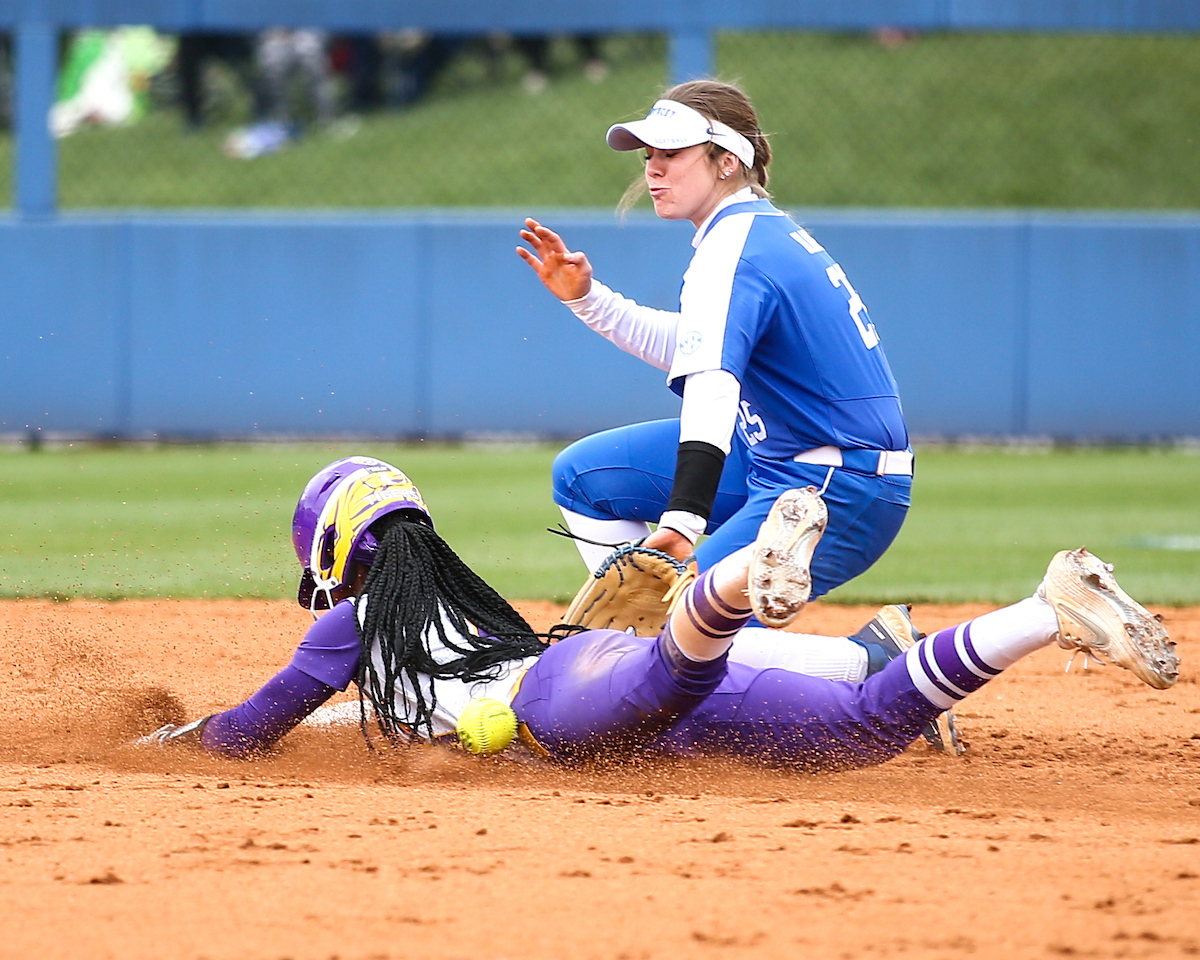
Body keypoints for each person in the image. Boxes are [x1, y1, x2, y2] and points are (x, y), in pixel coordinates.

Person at [148, 457, 1178, 766]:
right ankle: (1049, 610)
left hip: (571, 703)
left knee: (661, 674)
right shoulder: (471, 604)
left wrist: (169, 739)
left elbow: (251, 731)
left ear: (336, 555)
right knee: (859, 738)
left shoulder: (350, 626)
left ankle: (736, 581)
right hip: (627, 714)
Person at [517, 80, 912, 610]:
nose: (653, 168)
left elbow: (712, 384)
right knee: (584, 476)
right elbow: (696, 347)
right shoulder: (751, 233)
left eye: (672, 153)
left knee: (684, 638)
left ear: (727, 161)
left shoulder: (734, 246)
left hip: (833, 487)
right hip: (779, 464)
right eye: (649, 155)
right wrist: (587, 299)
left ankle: (867, 660)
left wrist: (683, 520)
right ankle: (649, 632)